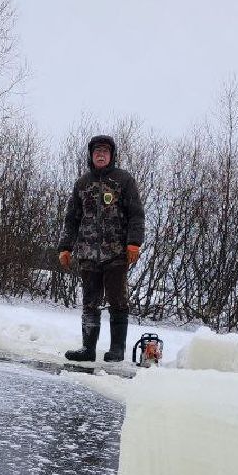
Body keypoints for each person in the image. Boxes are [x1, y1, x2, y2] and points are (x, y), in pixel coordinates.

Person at [57, 135, 145, 361]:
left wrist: (134, 242)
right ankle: (88, 349)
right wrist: (65, 247)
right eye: (97, 151)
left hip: (116, 252)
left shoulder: (123, 180)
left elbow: (136, 214)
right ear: (91, 155)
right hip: (87, 253)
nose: (101, 154)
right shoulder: (82, 183)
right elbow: (71, 219)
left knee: (117, 299)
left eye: (105, 151)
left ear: (112, 155)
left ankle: (117, 349)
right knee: (90, 302)